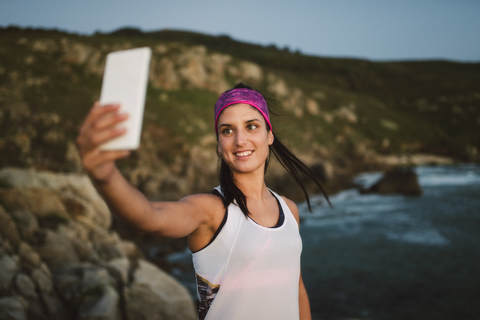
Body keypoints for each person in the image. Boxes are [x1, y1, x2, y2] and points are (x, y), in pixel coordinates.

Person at [76, 83, 329, 320]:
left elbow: (296, 289)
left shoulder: (289, 210)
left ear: (269, 135)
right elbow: (150, 217)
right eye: (227, 130)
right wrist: (106, 176)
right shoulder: (211, 210)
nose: (240, 140)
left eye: (251, 126)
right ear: (219, 145)